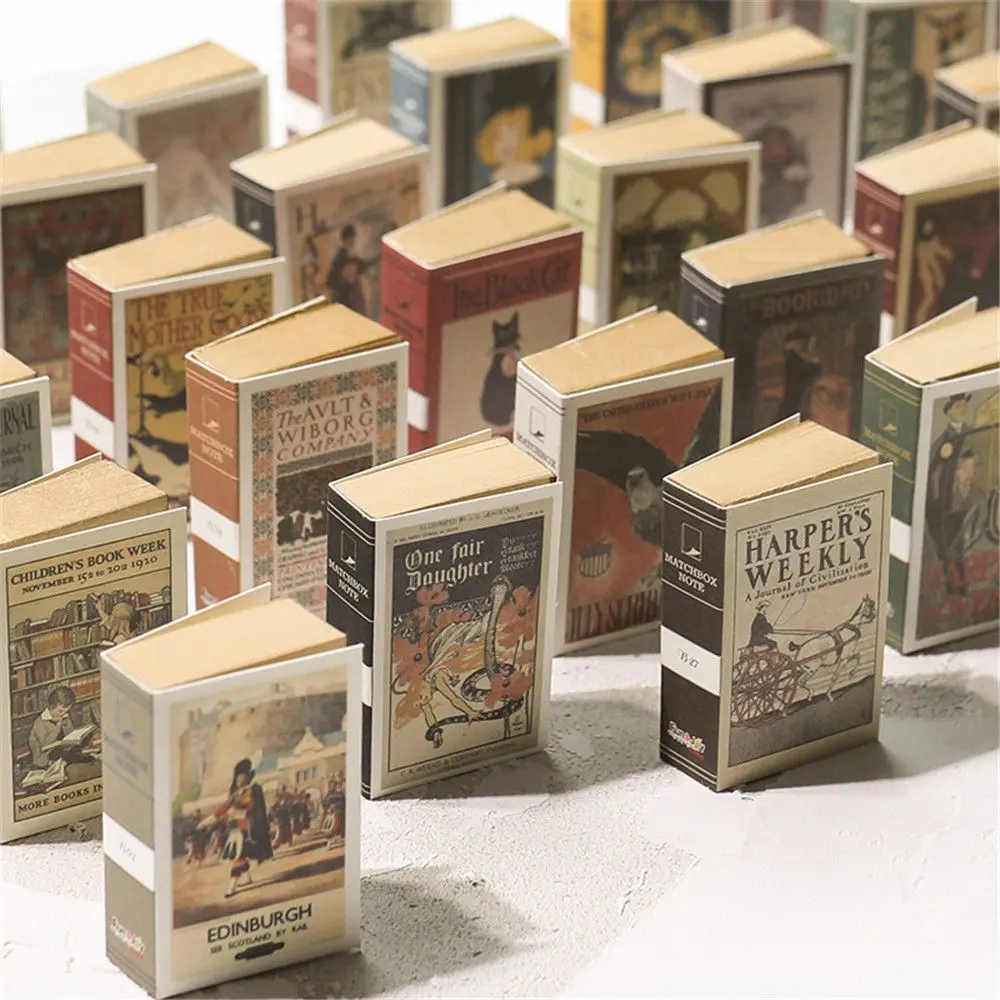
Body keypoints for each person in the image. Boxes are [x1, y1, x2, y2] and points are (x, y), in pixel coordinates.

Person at [207, 758, 274, 898]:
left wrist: (239, 813)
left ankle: (231, 886)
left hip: (247, 828)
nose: (238, 779)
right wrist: (206, 822)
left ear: (248, 776)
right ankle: (247, 877)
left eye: (241, 776)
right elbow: (223, 808)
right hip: (236, 829)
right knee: (239, 855)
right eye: (237, 776)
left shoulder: (254, 790)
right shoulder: (236, 794)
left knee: (239, 857)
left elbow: (255, 809)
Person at [28, 686, 77, 769]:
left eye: (66, 711)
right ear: (51, 706)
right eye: (60, 711)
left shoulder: (64, 717)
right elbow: (45, 744)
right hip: (45, 761)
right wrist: (57, 727)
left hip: (63, 755)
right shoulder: (40, 722)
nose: (63, 714)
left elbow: (70, 736)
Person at [324, 225, 369, 315]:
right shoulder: (341, 257)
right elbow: (330, 280)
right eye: (350, 238)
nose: (352, 241)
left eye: (353, 238)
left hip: (352, 298)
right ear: (345, 239)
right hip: (344, 299)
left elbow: (363, 266)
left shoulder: (352, 256)